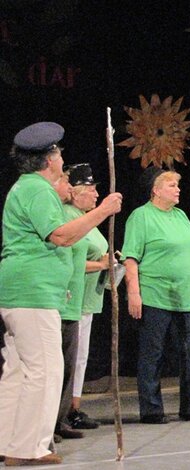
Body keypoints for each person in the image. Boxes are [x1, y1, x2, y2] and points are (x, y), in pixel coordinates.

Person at [0, 122, 122, 466]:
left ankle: (9, 440)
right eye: (57, 152)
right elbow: (61, 236)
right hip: (31, 291)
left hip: (25, 291)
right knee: (46, 370)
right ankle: (29, 448)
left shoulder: (29, 189)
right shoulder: (36, 189)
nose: (60, 156)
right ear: (48, 159)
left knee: (18, 370)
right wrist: (103, 211)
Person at [122, 166, 190, 424]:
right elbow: (130, 257)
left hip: (184, 295)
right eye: (172, 185)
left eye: (177, 185)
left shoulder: (181, 216)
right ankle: (152, 410)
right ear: (156, 190)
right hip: (155, 294)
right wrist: (134, 293)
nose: (178, 189)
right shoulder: (141, 216)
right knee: (153, 353)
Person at [65, 164, 109, 430]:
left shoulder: (87, 217)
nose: (95, 195)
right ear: (75, 191)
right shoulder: (71, 217)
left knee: (81, 357)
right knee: (71, 356)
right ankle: (65, 411)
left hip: (90, 297)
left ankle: (74, 408)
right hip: (74, 297)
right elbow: (72, 261)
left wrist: (108, 262)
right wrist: (103, 265)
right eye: (91, 190)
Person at [53, 171, 89, 441]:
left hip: (75, 300)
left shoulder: (76, 217)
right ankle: (46, 423)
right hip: (60, 299)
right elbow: (61, 249)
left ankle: (59, 420)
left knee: (67, 366)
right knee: (53, 367)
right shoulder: (62, 215)